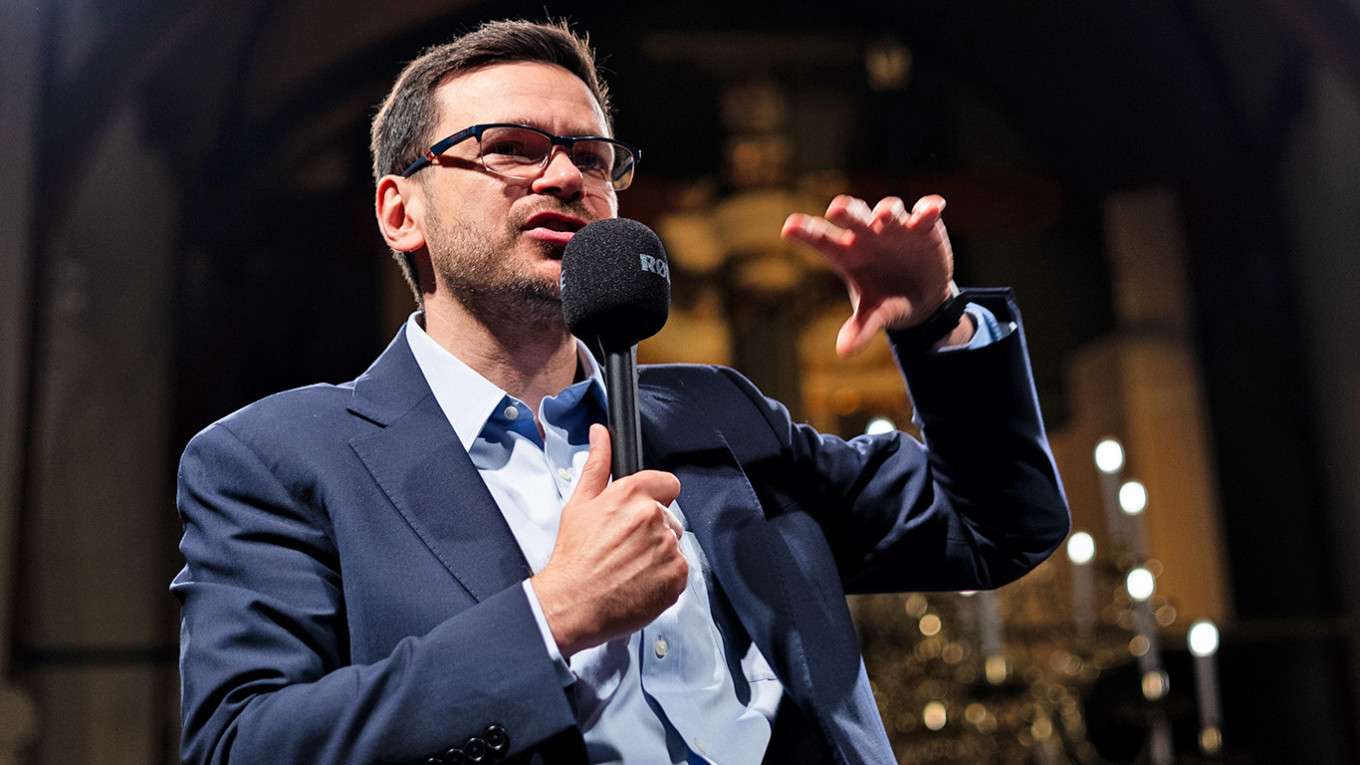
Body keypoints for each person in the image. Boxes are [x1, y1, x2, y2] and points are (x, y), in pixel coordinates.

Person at [172, 18, 1069, 765]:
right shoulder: (280, 459)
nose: (565, 176)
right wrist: (552, 614)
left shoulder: (718, 412)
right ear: (401, 211)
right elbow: (243, 743)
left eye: (590, 156)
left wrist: (933, 320)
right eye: (511, 149)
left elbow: (995, 526)